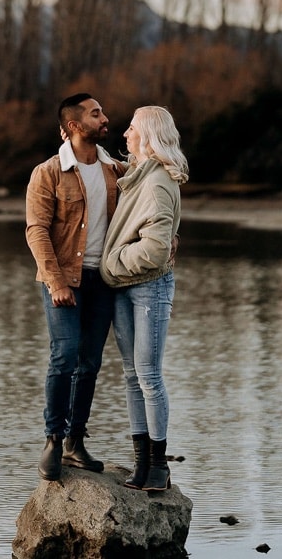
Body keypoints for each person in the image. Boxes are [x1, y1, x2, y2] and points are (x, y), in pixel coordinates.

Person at [25, 92, 124, 481]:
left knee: (90, 364)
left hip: (104, 280)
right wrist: (56, 281)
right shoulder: (47, 173)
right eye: (96, 113)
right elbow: (36, 232)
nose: (105, 118)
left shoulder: (114, 170)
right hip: (63, 281)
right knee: (64, 357)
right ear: (73, 126)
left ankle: (75, 443)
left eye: (102, 112)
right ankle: (53, 439)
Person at [100, 104, 187, 493]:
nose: (125, 134)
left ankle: (158, 466)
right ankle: (141, 463)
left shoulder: (155, 183)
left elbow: (153, 252)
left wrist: (110, 263)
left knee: (148, 376)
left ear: (148, 135)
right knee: (133, 376)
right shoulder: (138, 175)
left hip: (149, 285)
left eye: (132, 128)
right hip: (125, 286)